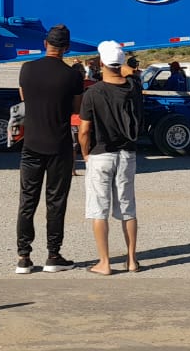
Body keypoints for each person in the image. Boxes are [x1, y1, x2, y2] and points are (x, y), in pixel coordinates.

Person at [15, 24, 84, 274]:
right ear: (67, 48)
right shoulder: (72, 76)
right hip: (59, 144)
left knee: (27, 200)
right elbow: (77, 108)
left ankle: (23, 256)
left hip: (32, 143)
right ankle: (53, 255)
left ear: (45, 44)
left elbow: (24, 98)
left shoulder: (27, 69)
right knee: (56, 201)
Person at [78, 40, 143, 275]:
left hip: (101, 153)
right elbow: (130, 74)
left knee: (99, 209)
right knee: (127, 208)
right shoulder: (133, 88)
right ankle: (132, 260)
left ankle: (104, 262)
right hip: (127, 154)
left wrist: (85, 153)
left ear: (101, 63)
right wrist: (124, 66)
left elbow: (84, 130)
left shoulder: (93, 93)